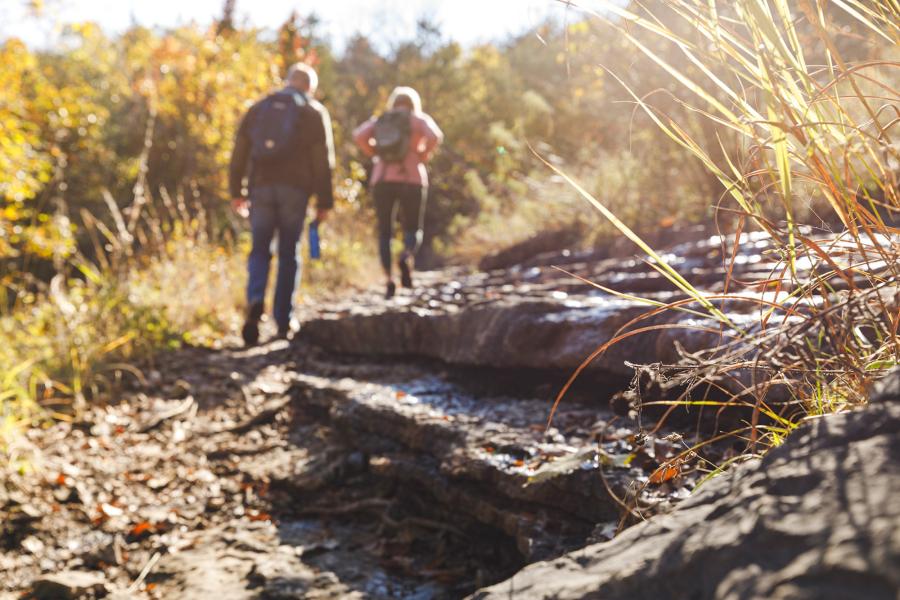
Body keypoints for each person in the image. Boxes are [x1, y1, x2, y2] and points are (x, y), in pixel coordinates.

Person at [229, 63, 334, 346]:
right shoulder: (312, 112)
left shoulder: (259, 108)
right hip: (295, 191)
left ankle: (254, 303)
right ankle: (283, 319)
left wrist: (235, 190)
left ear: (288, 81)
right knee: (289, 252)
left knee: (260, 250)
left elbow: (239, 150)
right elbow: (323, 160)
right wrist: (324, 200)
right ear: (309, 87)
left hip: (260, 188)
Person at [353, 86, 443, 298]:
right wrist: (422, 153)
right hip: (412, 177)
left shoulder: (382, 119)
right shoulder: (418, 119)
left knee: (385, 230)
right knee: (413, 227)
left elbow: (358, 135)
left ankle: (388, 279)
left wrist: (375, 152)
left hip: (383, 178)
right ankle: (406, 255)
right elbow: (435, 136)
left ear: (393, 103)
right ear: (414, 104)